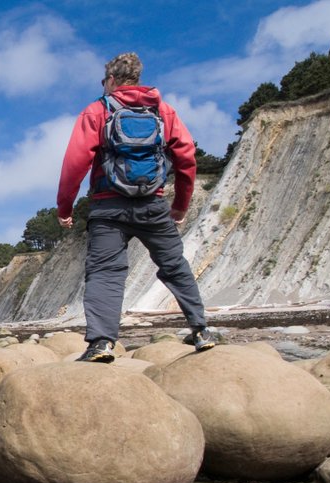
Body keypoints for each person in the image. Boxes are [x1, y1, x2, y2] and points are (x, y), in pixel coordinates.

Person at [56, 52, 220, 363]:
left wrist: (65, 208)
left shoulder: (97, 110)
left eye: (104, 81)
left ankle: (102, 343)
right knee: (175, 266)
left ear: (111, 80)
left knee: (105, 273)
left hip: (108, 207)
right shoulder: (163, 110)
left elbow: (74, 164)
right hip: (153, 205)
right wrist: (180, 205)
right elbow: (186, 157)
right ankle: (201, 331)